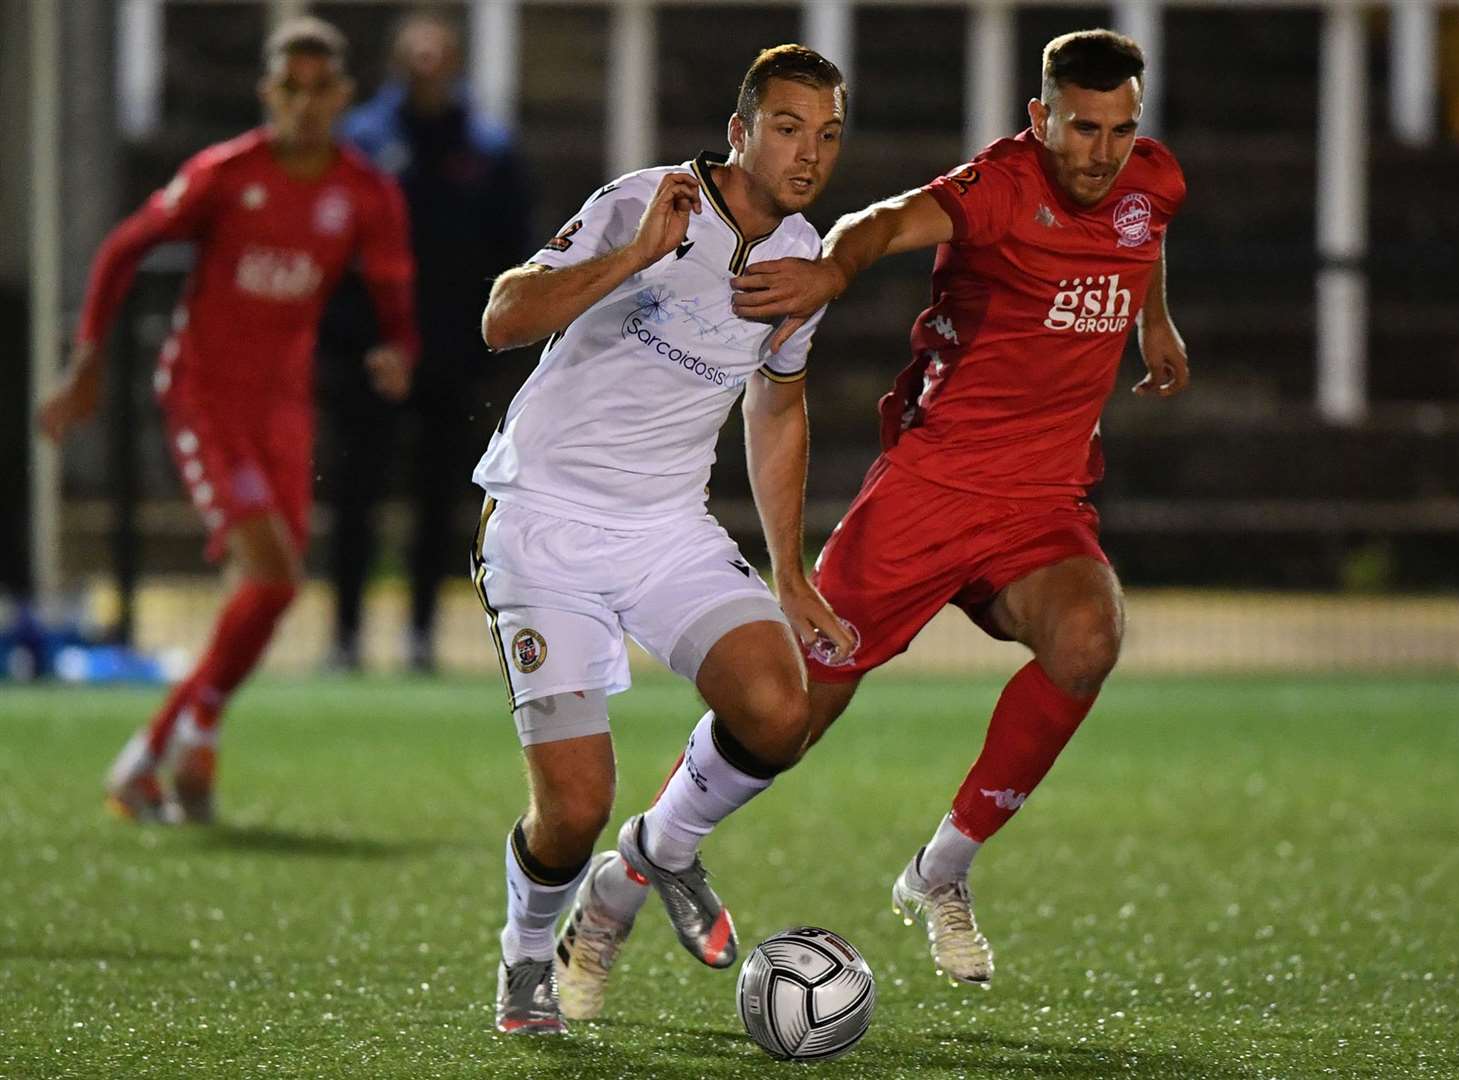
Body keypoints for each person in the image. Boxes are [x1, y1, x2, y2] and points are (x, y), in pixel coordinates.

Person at [557, 28, 1190, 1011]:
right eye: (1081, 128)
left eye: (1119, 129)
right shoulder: (995, 187)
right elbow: (883, 222)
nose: (1101, 152)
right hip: (929, 492)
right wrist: (830, 274)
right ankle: (631, 872)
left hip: (1041, 503)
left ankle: (941, 868)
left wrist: (1153, 318)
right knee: (786, 718)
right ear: (1040, 118)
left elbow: (1142, 235)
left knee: (1088, 635)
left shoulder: (1152, 181)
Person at [472, 45, 853, 1035]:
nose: (807, 153)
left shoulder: (801, 261)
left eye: (827, 134)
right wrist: (634, 255)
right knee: (570, 808)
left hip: (664, 530)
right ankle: (524, 964)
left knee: (779, 711)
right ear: (739, 132)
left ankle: (660, 849)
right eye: (786, 127)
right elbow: (502, 317)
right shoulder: (648, 202)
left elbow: (777, 407)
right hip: (543, 522)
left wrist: (790, 569)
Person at [36, 17, 417, 824]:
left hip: (283, 404)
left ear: (343, 97)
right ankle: (167, 747)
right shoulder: (225, 174)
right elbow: (123, 248)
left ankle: (175, 745)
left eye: (321, 90)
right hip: (204, 396)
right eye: (291, 89)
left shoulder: (363, 190)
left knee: (275, 591)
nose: (306, 105)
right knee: (273, 571)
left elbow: (392, 286)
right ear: (268, 95)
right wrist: (87, 360)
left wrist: (398, 347)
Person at [318, 10, 531, 673]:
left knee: (439, 503)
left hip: (452, 357)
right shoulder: (358, 146)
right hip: (370, 357)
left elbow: (511, 256)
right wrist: (347, 343)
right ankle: (346, 635)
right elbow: (333, 253)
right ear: (396, 63)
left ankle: (420, 634)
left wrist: (492, 352)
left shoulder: (488, 150)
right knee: (356, 498)